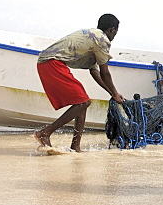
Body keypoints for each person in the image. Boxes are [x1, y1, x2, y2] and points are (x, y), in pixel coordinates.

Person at [34, 14, 126, 152]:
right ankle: (45, 133)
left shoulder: (93, 39)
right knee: (83, 102)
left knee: (82, 101)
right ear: (112, 30)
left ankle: (75, 146)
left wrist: (112, 94)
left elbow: (95, 73)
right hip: (51, 63)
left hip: (49, 63)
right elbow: (104, 73)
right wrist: (115, 92)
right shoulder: (102, 39)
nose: (114, 36)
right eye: (115, 32)